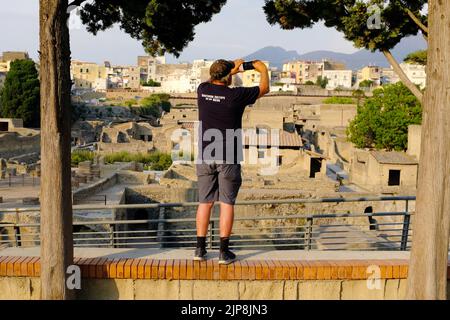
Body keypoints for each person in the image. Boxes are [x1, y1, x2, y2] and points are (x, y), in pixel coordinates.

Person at [194, 59, 270, 264]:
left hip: (205, 154)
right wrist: (262, 69)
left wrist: (230, 69)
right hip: (228, 155)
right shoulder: (236, 95)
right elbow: (264, 88)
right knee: (226, 203)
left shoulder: (202, 89)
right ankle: (223, 252)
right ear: (229, 76)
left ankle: (200, 250)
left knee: (205, 203)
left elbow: (215, 80)